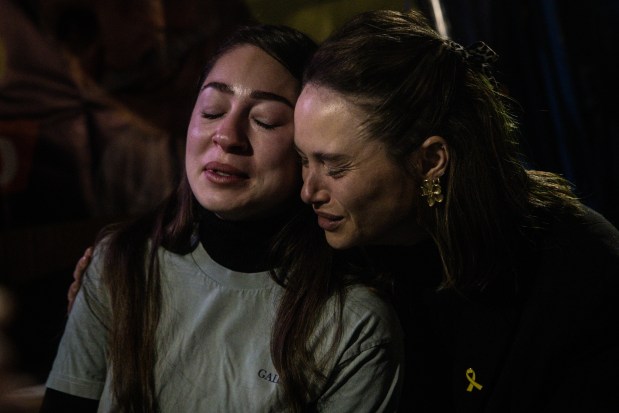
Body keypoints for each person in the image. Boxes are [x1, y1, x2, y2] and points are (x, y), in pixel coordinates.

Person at [41, 23, 403, 413]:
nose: (227, 135)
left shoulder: (353, 324)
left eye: (264, 120)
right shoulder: (120, 264)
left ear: (308, 147)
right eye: (212, 111)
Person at [293, 9, 619, 413]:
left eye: (335, 167)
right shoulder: (341, 259)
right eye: (303, 159)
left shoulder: (575, 270)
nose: (308, 190)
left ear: (430, 160)